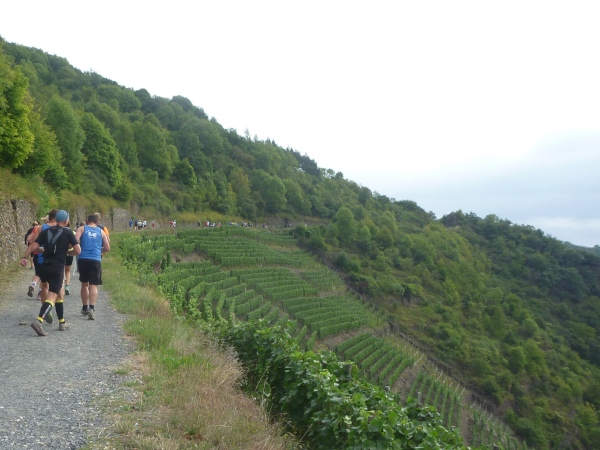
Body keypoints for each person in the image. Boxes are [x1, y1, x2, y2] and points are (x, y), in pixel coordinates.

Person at [22, 209, 81, 336]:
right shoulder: (68, 232)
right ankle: (39, 321)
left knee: (58, 293)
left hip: (45, 266)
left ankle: (62, 322)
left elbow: (34, 246)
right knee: (53, 296)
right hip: (57, 267)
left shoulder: (46, 231)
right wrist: (67, 252)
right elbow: (78, 250)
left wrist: (25, 257)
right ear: (66, 220)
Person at [76, 213, 110, 320]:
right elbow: (107, 248)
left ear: (87, 220)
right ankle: (91, 308)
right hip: (95, 259)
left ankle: (84, 307)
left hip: (83, 258)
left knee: (84, 284)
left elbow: (75, 241)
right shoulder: (101, 232)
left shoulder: (81, 229)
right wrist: (98, 250)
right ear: (97, 222)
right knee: (93, 285)